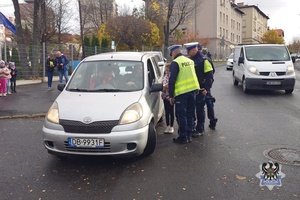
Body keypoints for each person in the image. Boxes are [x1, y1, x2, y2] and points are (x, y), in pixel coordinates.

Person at [168, 44, 200, 144]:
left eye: (171, 54)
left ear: (173, 53)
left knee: (181, 115)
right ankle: (189, 135)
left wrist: (171, 96)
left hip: (181, 93)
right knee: (190, 114)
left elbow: (171, 80)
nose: (171, 56)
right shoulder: (190, 61)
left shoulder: (175, 63)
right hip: (192, 91)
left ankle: (183, 137)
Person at [184, 42, 218, 138]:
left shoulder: (204, 60)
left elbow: (209, 75)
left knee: (200, 109)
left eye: (189, 51)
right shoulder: (191, 60)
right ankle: (193, 127)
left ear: (194, 50)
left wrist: (207, 88)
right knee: (192, 109)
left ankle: (200, 129)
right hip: (193, 89)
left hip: (202, 89)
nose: (188, 53)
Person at [161, 63, 174, 134]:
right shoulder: (164, 77)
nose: (167, 72)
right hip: (165, 96)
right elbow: (162, 87)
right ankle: (167, 125)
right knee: (167, 112)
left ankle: (171, 126)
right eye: (166, 70)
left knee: (171, 111)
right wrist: (163, 88)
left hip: (171, 97)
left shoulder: (172, 77)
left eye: (168, 70)